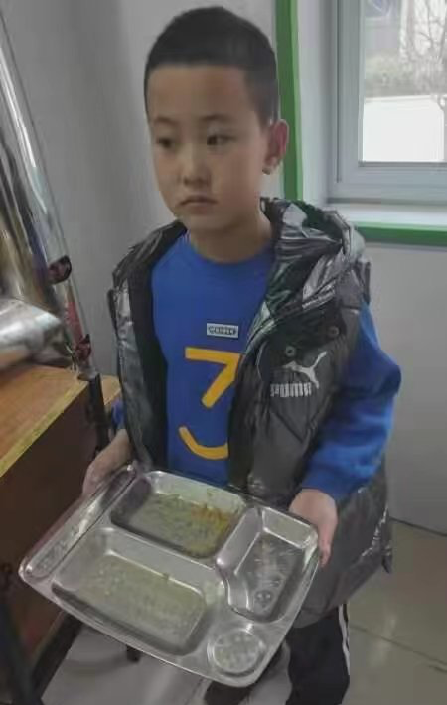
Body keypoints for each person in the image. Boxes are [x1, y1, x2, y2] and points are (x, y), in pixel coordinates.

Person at [83, 8, 401, 705]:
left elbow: (366, 398)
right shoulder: (144, 281)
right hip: (205, 524)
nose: (190, 166)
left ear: (271, 145)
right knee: (230, 615)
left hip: (298, 527)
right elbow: (152, 390)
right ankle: (241, 668)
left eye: (218, 137)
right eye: (167, 140)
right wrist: (125, 440)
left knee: (312, 638)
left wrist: (324, 488)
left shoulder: (319, 283)